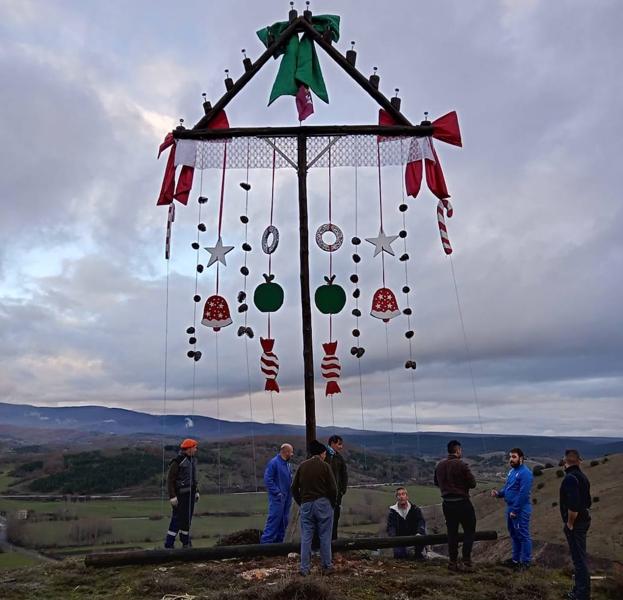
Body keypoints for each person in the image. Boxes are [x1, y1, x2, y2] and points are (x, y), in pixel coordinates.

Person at [291, 439, 338, 576]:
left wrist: (301, 502)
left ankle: (304, 568)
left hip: (306, 504)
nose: (325, 456)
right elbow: (333, 489)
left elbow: (294, 488)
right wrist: (331, 504)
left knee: (306, 537)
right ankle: (327, 565)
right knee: (325, 536)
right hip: (323, 504)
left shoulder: (302, 466)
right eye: (324, 453)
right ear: (321, 453)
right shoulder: (325, 466)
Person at [434, 439, 477, 571]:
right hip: (462, 502)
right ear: (458, 450)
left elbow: (436, 483)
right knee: (469, 531)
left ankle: (452, 562)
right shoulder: (462, 465)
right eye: (460, 450)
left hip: (447, 504)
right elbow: (473, 484)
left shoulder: (439, 466)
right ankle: (466, 561)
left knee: (452, 533)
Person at [490, 448, 534, 570]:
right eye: (510, 457)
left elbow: (523, 494)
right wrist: (498, 494)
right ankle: (515, 560)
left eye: (514, 457)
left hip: (520, 509)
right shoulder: (511, 472)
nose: (511, 459)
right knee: (514, 535)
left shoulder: (525, 473)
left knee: (523, 535)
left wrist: (515, 510)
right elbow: (508, 488)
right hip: (511, 508)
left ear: (521, 458)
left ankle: (525, 563)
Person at [560, 449, 592, 600]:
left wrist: (570, 523)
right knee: (580, 558)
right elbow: (588, 502)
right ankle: (580, 590)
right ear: (579, 460)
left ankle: (581, 594)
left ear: (565, 462)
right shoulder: (582, 477)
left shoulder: (570, 479)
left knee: (579, 560)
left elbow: (573, 506)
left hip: (577, 524)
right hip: (584, 520)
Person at [164, 438, 200, 548]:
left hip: (190, 495)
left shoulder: (192, 460)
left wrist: (196, 491)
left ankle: (185, 542)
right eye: (194, 447)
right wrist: (172, 497)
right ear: (188, 449)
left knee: (187, 519)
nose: (196, 450)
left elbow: (193, 479)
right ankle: (169, 544)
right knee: (177, 519)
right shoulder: (177, 462)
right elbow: (170, 480)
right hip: (180, 496)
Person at [260, 443, 294, 544]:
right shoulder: (274, 463)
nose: (292, 454)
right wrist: (277, 492)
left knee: (284, 521)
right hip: (278, 498)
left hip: (287, 497)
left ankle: (280, 543)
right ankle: (266, 543)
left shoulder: (287, 464)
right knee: (274, 519)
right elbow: (268, 479)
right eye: (291, 452)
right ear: (286, 452)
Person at [386, 486, 427, 560]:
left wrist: (419, 532)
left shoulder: (415, 509)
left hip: (414, 538)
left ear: (407, 496)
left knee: (418, 556)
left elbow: (421, 522)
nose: (401, 497)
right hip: (400, 539)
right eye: (399, 495)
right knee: (399, 556)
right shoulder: (392, 512)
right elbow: (391, 526)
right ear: (396, 497)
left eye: (403, 494)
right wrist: (393, 537)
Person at [325, 435, 348, 540]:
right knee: (325, 519)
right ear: (332, 443)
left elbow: (344, 475)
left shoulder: (339, 457)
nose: (341, 447)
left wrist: (342, 490)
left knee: (335, 518)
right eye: (339, 444)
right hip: (325, 495)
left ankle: (333, 542)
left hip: (337, 495)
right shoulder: (324, 456)